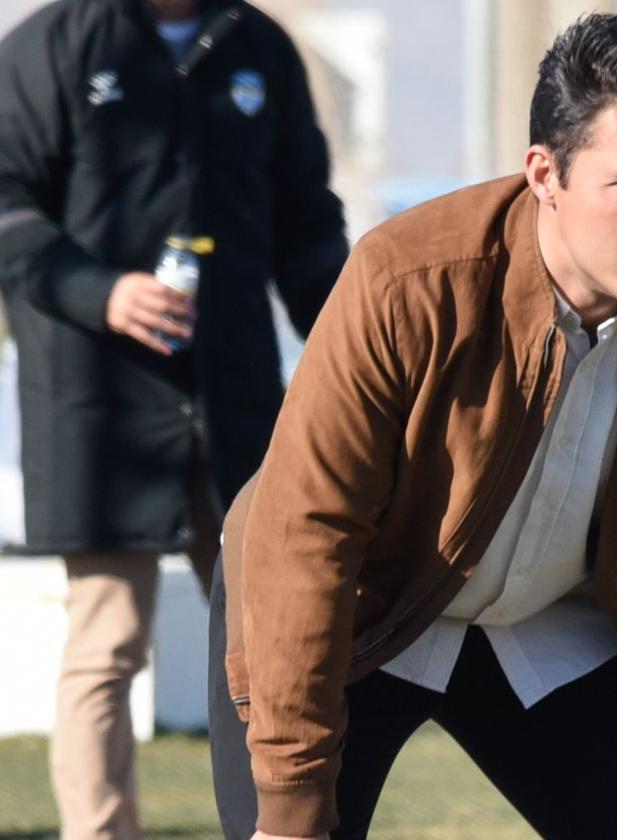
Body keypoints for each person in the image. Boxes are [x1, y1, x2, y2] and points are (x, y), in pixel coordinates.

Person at [208, 12, 617, 840]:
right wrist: (291, 803)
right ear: (544, 173)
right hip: (351, 610)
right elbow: (306, 535)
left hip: (553, 618)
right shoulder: (405, 280)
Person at [0, 0, 347, 836]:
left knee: (274, 640)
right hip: (98, 398)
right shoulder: (54, 44)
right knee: (107, 641)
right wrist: (103, 292)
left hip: (236, 396)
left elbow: (307, 225)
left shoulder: (259, 46)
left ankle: (283, 826)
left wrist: (345, 349)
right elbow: (10, 212)